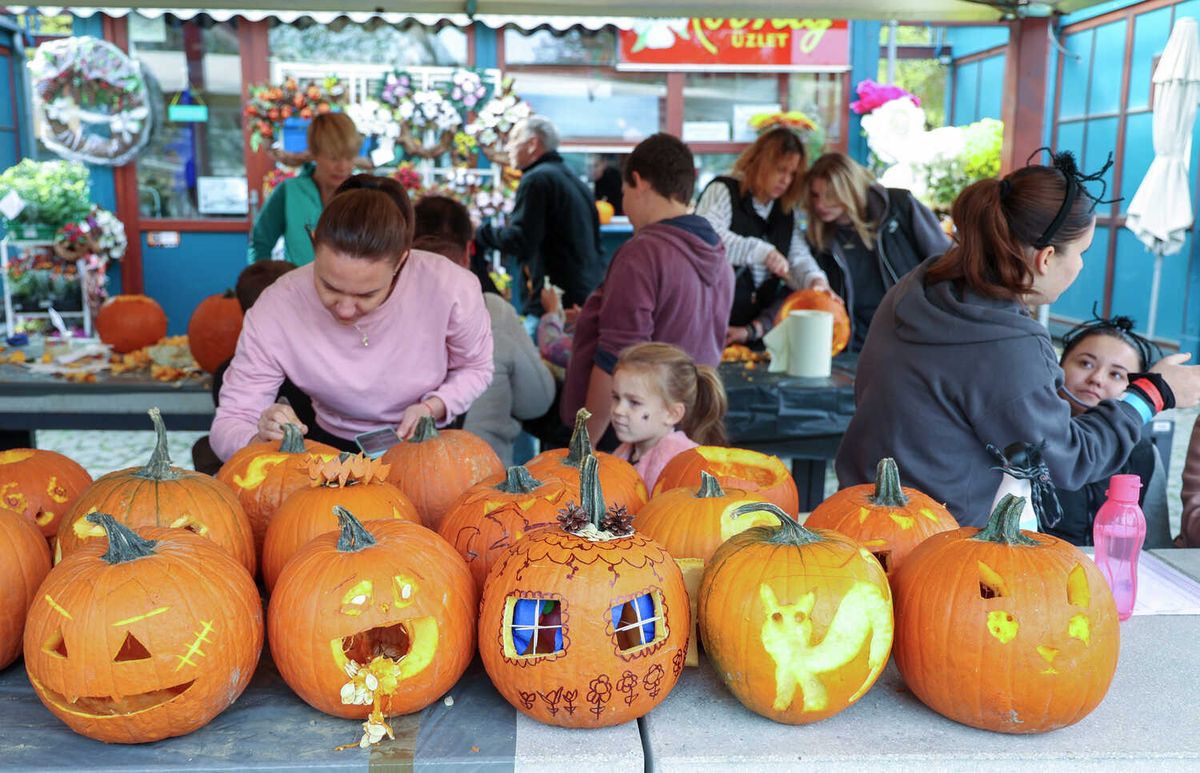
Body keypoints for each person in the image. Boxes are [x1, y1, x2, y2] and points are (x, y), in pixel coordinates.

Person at [835, 150, 1200, 526]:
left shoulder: (918, 286)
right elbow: (1068, 461)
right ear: (1046, 258)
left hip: (857, 513)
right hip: (931, 544)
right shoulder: (1006, 345)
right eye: (1082, 252)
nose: (1080, 265)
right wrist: (1152, 393)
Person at [210, 176, 493, 459]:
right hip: (325, 446)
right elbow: (230, 421)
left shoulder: (451, 287)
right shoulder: (278, 305)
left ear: (401, 262)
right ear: (313, 244)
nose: (345, 310)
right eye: (329, 287)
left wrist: (435, 406)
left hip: (426, 444)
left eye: (366, 295)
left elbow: (476, 367)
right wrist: (257, 440)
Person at [561, 132, 733, 447]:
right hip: (687, 430)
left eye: (624, 191)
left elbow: (615, 359)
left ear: (639, 182)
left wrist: (583, 448)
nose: (624, 204)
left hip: (631, 439)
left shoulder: (642, 253)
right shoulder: (718, 252)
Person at [413, 194, 554, 466]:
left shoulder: (382, 307)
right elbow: (537, 401)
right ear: (468, 250)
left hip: (399, 479)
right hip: (485, 479)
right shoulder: (493, 310)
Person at [802, 152, 951, 351]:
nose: (820, 204)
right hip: (854, 346)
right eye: (815, 195)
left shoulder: (898, 206)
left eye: (830, 195)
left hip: (911, 337)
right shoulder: (818, 240)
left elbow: (945, 260)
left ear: (849, 189)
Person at [695, 128, 828, 347]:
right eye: (780, 170)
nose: (786, 180)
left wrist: (815, 280)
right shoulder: (724, 190)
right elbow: (706, 239)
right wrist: (762, 252)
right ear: (759, 162)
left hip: (756, 334)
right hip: (710, 326)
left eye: (793, 173)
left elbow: (797, 256)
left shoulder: (785, 211)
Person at [1051, 313, 1170, 547]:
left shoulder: (1143, 453)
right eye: (1085, 363)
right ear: (1058, 368)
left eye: (1116, 374)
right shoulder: (1030, 433)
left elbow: (1155, 543)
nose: (1096, 378)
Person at [475, 116, 605, 313]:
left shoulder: (536, 180)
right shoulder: (576, 181)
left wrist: (479, 231)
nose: (508, 147)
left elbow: (520, 240)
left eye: (513, 140)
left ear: (532, 144)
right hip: (585, 297)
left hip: (554, 303)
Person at [249, 112, 362, 266]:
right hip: (298, 288)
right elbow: (260, 243)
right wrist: (262, 283)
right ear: (314, 153)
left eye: (349, 158)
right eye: (333, 158)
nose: (342, 167)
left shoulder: (365, 195)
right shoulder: (288, 192)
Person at [610, 342, 727, 491]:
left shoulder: (681, 463)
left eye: (634, 402)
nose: (618, 410)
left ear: (672, 414)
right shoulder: (625, 451)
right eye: (616, 397)